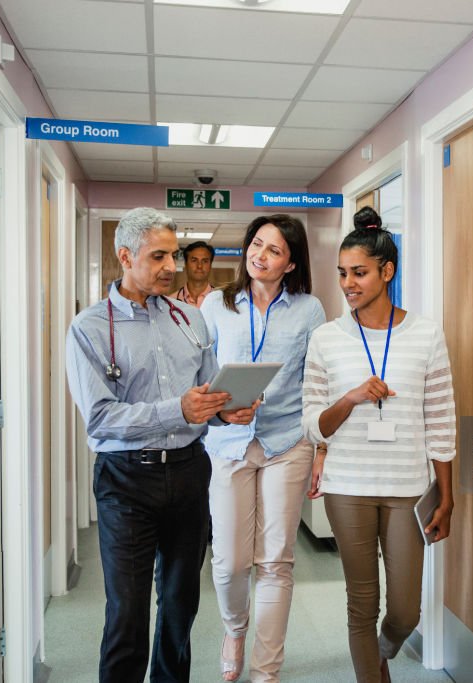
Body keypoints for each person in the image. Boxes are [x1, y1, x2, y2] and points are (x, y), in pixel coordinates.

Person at [65, 207, 257, 683]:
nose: (172, 265)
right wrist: (180, 409)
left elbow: (205, 395)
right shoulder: (89, 328)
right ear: (125, 257)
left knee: (179, 605)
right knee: (127, 612)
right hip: (126, 481)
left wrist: (224, 410)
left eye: (174, 254)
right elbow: (101, 417)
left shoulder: (191, 320)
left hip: (190, 473)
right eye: (159, 256)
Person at [302, 209, 456, 683]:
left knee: (405, 611)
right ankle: (373, 675)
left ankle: (382, 652)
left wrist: (447, 495)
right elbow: (314, 425)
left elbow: (442, 418)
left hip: (407, 485)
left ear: (387, 272)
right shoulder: (326, 338)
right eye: (343, 274)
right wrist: (348, 399)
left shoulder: (426, 334)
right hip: (348, 485)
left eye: (360, 273)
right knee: (360, 603)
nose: (348, 284)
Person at [199, 214, 326, 683]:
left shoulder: (309, 309)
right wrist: (217, 410)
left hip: (286, 441)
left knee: (276, 560)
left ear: (291, 263)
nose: (261, 255)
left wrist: (321, 451)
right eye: (257, 244)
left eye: (274, 250)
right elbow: (199, 372)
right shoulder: (217, 304)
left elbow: (316, 383)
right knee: (231, 561)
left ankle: (265, 670)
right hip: (228, 442)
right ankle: (235, 629)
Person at [174, 240, 214, 307]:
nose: (199, 266)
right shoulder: (171, 301)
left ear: (210, 265)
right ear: (185, 264)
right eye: (194, 260)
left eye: (205, 261)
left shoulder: (223, 301)